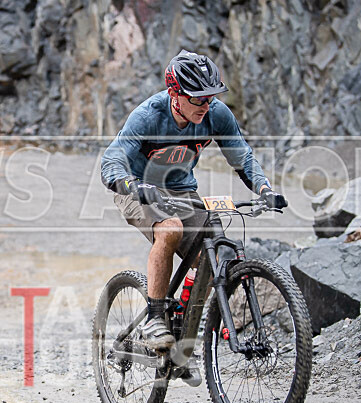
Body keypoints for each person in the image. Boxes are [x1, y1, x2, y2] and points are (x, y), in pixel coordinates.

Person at [101, 50, 287, 355]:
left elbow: (242, 157)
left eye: (210, 97)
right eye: (197, 98)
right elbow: (111, 163)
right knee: (170, 229)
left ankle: (183, 330)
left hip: (182, 191)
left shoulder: (216, 114)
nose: (205, 105)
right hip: (137, 188)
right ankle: (155, 318)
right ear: (175, 94)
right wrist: (133, 185)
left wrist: (264, 188)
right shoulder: (148, 116)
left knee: (214, 253)